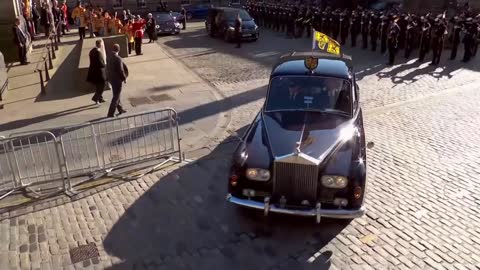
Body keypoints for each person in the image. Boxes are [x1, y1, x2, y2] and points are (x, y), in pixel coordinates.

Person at [107, 44, 128, 117]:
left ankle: (120, 109)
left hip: (111, 78)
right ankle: (110, 113)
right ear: (119, 50)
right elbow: (121, 71)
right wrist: (124, 78)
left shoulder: (109, 56)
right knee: (116, 96)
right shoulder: (118, 58)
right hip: (117, 80)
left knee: (116, 94)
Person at [87, 40, 107, 104]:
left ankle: (100, 98)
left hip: (93, 71)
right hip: (99, 72)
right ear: (99, 44)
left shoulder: (92, 51)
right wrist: (105, 65)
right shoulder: (98, 52)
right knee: (102, 85)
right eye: (101, 44)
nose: (102, 45)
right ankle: (95, 98)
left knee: (98, 86)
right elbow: (100, 63)